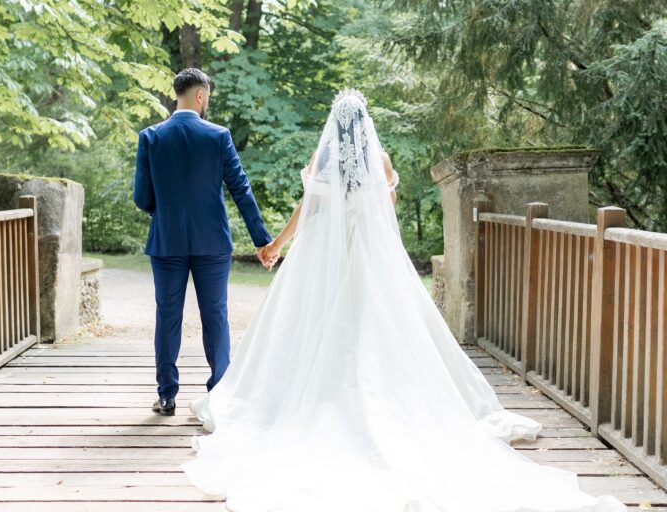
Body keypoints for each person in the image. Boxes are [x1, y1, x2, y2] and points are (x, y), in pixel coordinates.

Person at [182, 89, 626, 512]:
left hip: (327, 256)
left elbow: (310, 209)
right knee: (382, 328)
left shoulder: (322, 159)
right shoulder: (381, 160)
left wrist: (276, 244)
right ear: (366, 125)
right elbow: (386, 211)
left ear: (333, 126)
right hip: (371, 258)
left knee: (311, 325)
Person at [133, 68, 275, 417]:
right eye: (207, 96)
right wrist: (263, 241)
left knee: (168, 315)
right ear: (200, 95)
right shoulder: (218, 136)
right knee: (216, 316)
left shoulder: (150, 137)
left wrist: (163, 209)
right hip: (213, 242)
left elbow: (141, 198)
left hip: (166, 242)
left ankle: (167, 395)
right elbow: (241, 189)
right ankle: (219, 395)